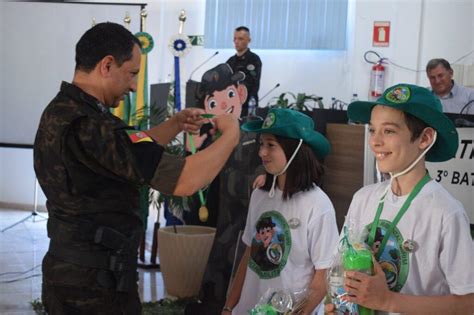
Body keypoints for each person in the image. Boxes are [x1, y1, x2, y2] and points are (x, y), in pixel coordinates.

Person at [33, 22, 240, 315]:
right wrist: (231, 135)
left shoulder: (63, 111)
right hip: (95, 288)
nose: (133, 86)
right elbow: (185, 181)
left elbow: (128, 149)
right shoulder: (91, 126)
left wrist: (176, 124)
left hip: (70, 273)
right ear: (107, 65)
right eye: (131, 74)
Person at [325, 84, 474, 314]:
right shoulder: (363, 198)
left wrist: (387, 301)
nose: (375, 142)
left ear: (424, 138)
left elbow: (468, 304)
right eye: (372, 130)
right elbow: (341, 267)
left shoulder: (446, 213)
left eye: (389, 131)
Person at [223, 108, 339, 315]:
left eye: (271, 145)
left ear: (295, 149)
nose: (262, 153)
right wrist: (229, 306)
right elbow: (248, 255)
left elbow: (323, 276)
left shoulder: (317, 205)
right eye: (262, 144)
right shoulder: (259, 195)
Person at [184, 64, 262, 315]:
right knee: (220, 268)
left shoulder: (257, 131)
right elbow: (193, 186)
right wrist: (192, 150)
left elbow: (274, 162)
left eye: (228, 95)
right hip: (226, 220)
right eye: (213, 103)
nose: (224, 106)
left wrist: (265, 177)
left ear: (240, 94)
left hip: (255, 221)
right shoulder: (211, 140)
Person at [226, 26, 262, 116]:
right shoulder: (230, 61)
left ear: (249, 40)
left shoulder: (254, 59)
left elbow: (252, 82)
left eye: (240, 39)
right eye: (235, 39)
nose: (236, 42)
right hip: (230, 104)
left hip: (247, 105)